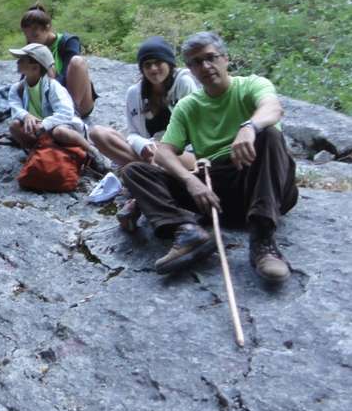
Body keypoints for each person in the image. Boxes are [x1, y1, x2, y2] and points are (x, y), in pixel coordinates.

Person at [119, 32, 297, 281]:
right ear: (190, 69)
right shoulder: (188, 106)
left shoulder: (252, 85)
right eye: (196, 62)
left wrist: (249, 128)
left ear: (225, 59)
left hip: (264, 180)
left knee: (269, 135)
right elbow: (165, 152)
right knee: (133, 171)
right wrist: (191, 181)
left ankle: (263, 240)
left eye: (211, 57)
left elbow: (272, 108)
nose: (205, 66)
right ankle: (186, 230)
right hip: (216, 193)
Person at [89, 36, 199, 231]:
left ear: (169, 63)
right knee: (98, 133)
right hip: (149, 154)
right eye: (147, 64)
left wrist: (162, 149)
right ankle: (147, 179)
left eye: (158, 62)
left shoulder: (184, 83)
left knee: (149, 159)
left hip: (184, 153)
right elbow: (132, 133)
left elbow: (195, 129)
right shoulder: (135, 92)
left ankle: (138, 199)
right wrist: (142, 144)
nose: (153, 69)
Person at [6, 43, 93, 152]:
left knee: (60, 132)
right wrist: (26, 116)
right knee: (14, 126)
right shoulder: (17, 88)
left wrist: (44, 124)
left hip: (59, 125)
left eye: (22, 60)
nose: (17, 62)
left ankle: (91, 152)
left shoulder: (53, 86)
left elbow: (66, 112)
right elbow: (15, 107)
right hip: (38, 129)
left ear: (35, 68)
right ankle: (39, 153)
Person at [20, 3, 97, 117]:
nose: (31, 40)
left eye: (35, 35)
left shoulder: (68, 41)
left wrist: (49, 79)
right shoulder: (32, 47)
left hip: (77, 100)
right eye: (27, 36)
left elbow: (67, 75)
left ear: (48, 27)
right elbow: (24, 81)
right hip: (49, 103)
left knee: (77, 62)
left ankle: (71, 114)